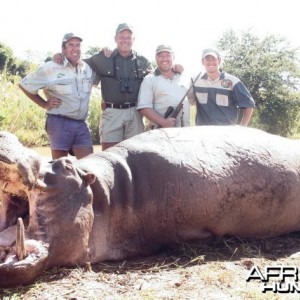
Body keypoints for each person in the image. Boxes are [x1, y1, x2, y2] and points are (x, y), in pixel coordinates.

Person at [19, 33, 97, 159]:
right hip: (59, 122)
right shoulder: (50, 67)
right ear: (63, 49)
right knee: (59, 167)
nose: (75, 48)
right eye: (70, 45)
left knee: (89, 165)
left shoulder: (87, 68)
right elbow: (24, 85)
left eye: (78, 45)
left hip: (81, 124)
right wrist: (44, 103)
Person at [83, 23, 153, 150]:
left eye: (128, 37)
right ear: (115, 38)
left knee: (137, 153)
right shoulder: (103, 57)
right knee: (109, 155)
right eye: (122, 37)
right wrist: (59, 57)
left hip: (135, 113)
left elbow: (157, 78)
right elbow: (78, 63)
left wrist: (175, 69)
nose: (125, 40)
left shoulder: (143, 61)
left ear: (133, 40)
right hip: (112, 112)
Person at [188, 48, 255, 126]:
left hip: (226, 132)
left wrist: (242, 128)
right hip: (203, 131)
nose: (210, 62)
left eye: (213, 59)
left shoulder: (232, 81)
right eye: (207, 59)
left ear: (219, 60)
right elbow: (190, 102)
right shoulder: (195, 81)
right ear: (202, 62)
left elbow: (249, 105)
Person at [137, 45, 191, 129]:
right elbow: (144, 107)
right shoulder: (149, 79)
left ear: (173, 57)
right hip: (160, 132)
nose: (164, 59)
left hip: (184, 131)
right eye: (160, 56)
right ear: (156, 58)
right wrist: (163, 122)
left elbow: (193, 100)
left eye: (168, 55)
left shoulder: (185, 77)